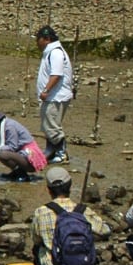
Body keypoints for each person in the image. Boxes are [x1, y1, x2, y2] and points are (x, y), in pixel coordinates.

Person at [30, 166, 101, 265]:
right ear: (70, 186)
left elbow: (36, 239)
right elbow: (105, 230)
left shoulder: (41, 212)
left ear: (48, 190)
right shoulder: (83, 210)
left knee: (38, 247)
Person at [34, 24, 73, 164]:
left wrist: (46, 90)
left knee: (52, 126)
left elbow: (56, 74)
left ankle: (62, 153)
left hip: (55, 97)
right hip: (53, 96)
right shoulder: (50, 52)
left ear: (46, 39)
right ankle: (50, 152)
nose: (37, 43)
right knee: (48, 125)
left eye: (38, 39)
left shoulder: (55, 52)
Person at [0, 107, 43, 181]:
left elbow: (12, 147)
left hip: (31, 158)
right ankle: (16, 172)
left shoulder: (9, 127)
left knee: (3, 155)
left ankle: (22, 174)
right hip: (23, 156)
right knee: (0, 151)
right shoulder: (4, 126)